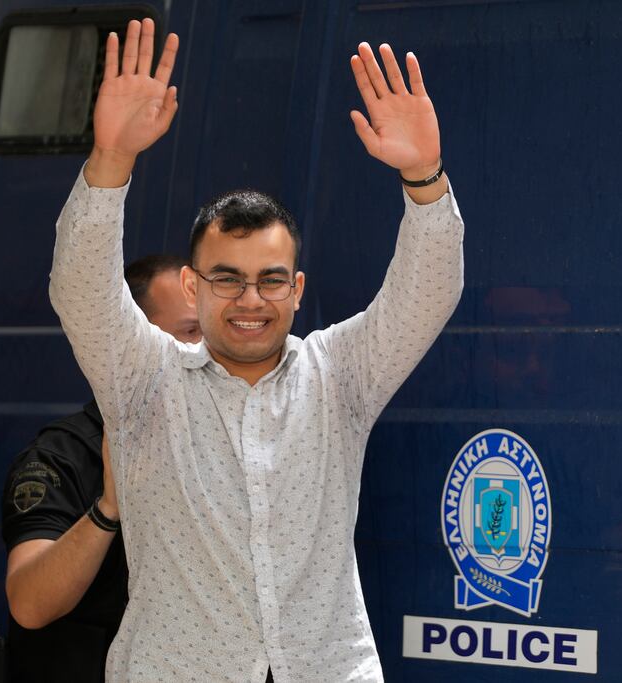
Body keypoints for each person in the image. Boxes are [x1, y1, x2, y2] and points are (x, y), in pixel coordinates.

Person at [49, 17, 464, 682]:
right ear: (192, 285)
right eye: (227, 278)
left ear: (297, 289)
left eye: (271, 279)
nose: (251, 299)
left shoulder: (338, 376)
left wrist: (423, 174)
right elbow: (78, 289)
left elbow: (429, 292)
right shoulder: (142, 377)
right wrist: (111, 161)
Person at [1, 253, 200, 683]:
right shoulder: (62, 455)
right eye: (190, 332)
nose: (206, 351)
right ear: (132, 341)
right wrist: (109, 507)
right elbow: (29, 604)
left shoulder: (231, 451)